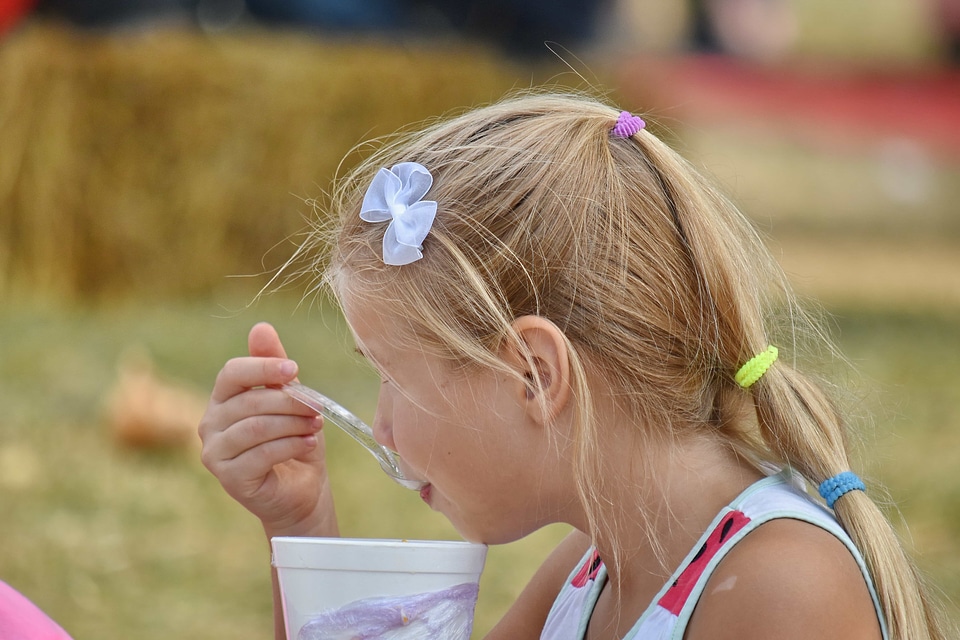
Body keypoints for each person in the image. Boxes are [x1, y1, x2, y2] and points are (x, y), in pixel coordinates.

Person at [198, 93, 951, 639]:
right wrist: (301, 529)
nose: (383, 427)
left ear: (535, 374)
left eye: (392, 377)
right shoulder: (594, 570)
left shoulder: (782, 591)